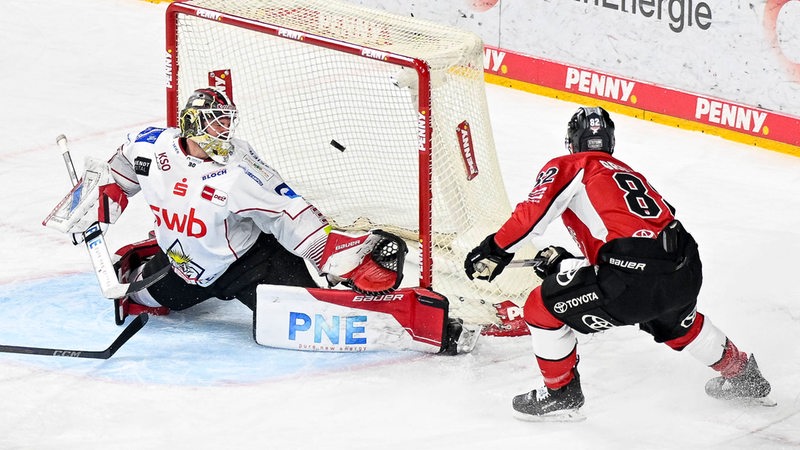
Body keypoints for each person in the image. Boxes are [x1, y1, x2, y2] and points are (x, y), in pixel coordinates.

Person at [464, 106, 772, 420]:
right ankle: (744, 375)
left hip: (633, 276)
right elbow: (636, 239)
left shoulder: (573, 165)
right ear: (610, 143)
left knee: (539, 307)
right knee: (677, 322)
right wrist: (566, 265)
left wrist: (494, 249)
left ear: (572, 142)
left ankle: (561, 393)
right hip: (683, 266)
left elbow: (531, 214)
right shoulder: (629, 174)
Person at [44, 87, 404, 323]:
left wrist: (333, 254)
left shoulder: (239, 169)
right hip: (184, 267)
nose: (224, 132)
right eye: (215, 124)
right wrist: (93, 206)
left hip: (249, 264)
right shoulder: (150, 147)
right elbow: (119, 171)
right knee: (140, 298)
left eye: (227, 124)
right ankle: (146, 255)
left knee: (314, 316)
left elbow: (287, 211)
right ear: (190, 125)